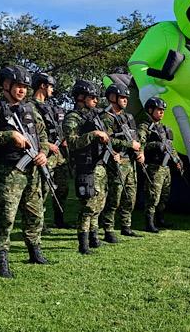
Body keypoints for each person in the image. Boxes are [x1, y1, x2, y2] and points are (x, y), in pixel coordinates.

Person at [0, 66, 50, 276]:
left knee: (35, 214)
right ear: (6, 85)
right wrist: (8, 136)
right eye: (18, 86)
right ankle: (2, 260)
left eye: (25, 87)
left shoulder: (31, 109)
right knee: (5, 217)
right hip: (7, 172)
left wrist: (44, 153)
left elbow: (43, 136)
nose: (22, 90)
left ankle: (34, 251)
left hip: (33, 170)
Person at [64, 80, 118, 254]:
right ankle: (83, 242)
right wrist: (93, 134)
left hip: (100, 165)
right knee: (88, 206)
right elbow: (72, 142)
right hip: (86, 166)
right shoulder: (73, 117)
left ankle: (94, 237)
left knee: (99, 204)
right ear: (81, 97)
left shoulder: (95, 116)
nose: (95, 100)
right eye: (92, 97)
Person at [100, 82, 144, 242]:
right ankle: (108, 229)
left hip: (130, 162)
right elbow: (106, 140)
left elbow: (136, 137)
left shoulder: (128, 117)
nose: (125, 100)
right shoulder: (106, 118)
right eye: (122, 97)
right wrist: (129, 145)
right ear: (112, 97)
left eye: (126, 97)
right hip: (116, 162)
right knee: (114, 197)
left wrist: (140, 151)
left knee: (130, 196)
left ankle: (126, 226)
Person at [31, 72, 73, 229]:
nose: (52, 90)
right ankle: (38, 223)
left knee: (62, 188)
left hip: (59, 154)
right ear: (42, 85)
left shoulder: (50, 107)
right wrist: (47, 144)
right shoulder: (30, 106)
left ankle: (59, 220)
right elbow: (30, 133)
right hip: (44, 154)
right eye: (51, 86)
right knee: (42, 189)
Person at [138, 97, 183, 232]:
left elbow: (170, 147)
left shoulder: (163, 128)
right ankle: (149, 223)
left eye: (163, 110)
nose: (161, 113)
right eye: (159, 110)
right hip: (153, 167)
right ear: (150, 110)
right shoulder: (144, 127)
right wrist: (156, 145)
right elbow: (140, 144)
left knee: (164, 195)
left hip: (165, 167)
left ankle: (160, 219)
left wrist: (177, 160)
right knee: (153, 196)